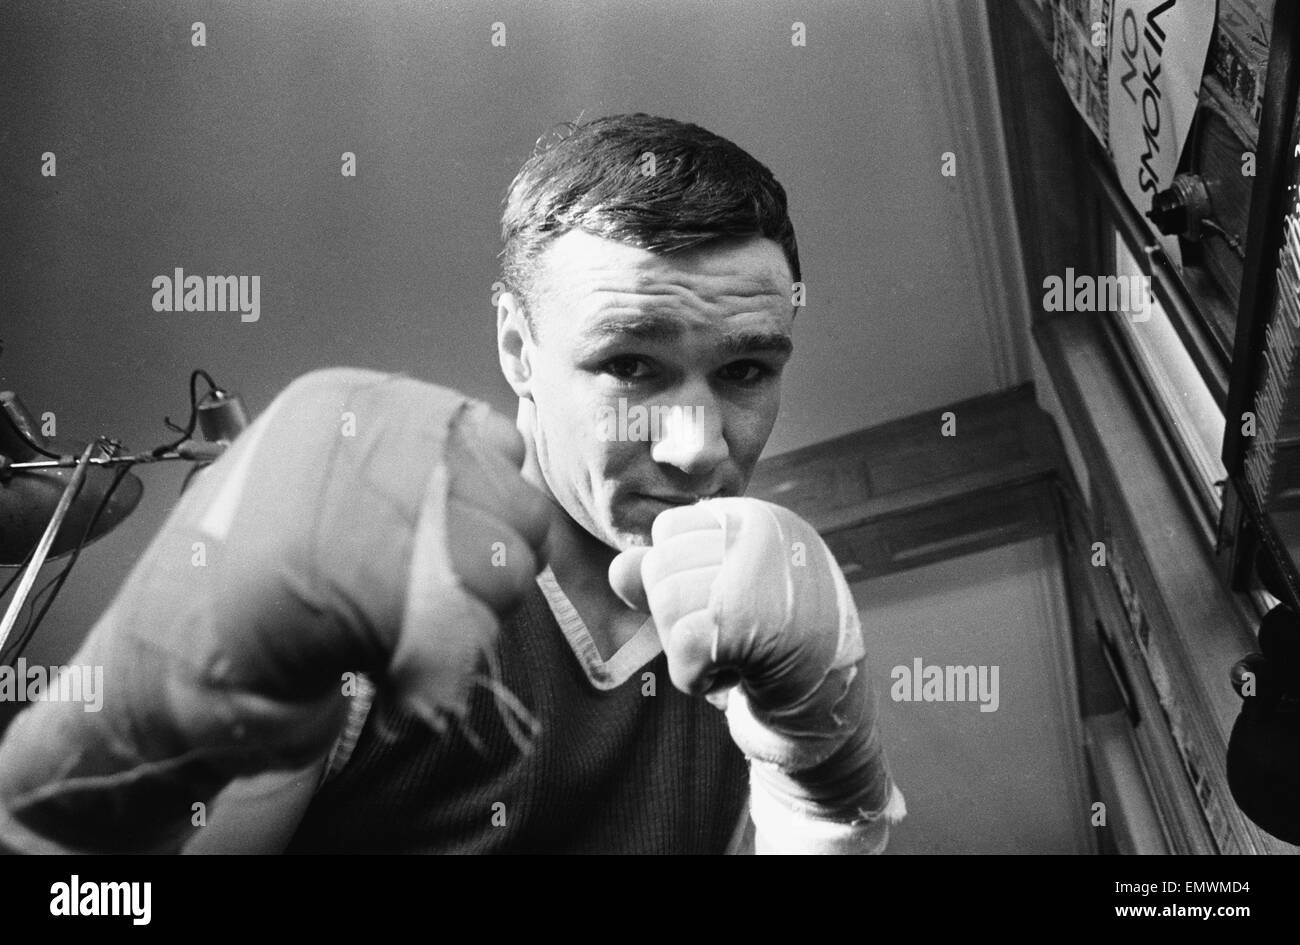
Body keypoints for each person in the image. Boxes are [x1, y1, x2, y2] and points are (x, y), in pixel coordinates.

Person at [0, 113, 904, 854]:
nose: (697, 449)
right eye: (631, 364)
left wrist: (824, 795)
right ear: (518, 347)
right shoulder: (385, 573)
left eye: (746, 371)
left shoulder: (758, 613)